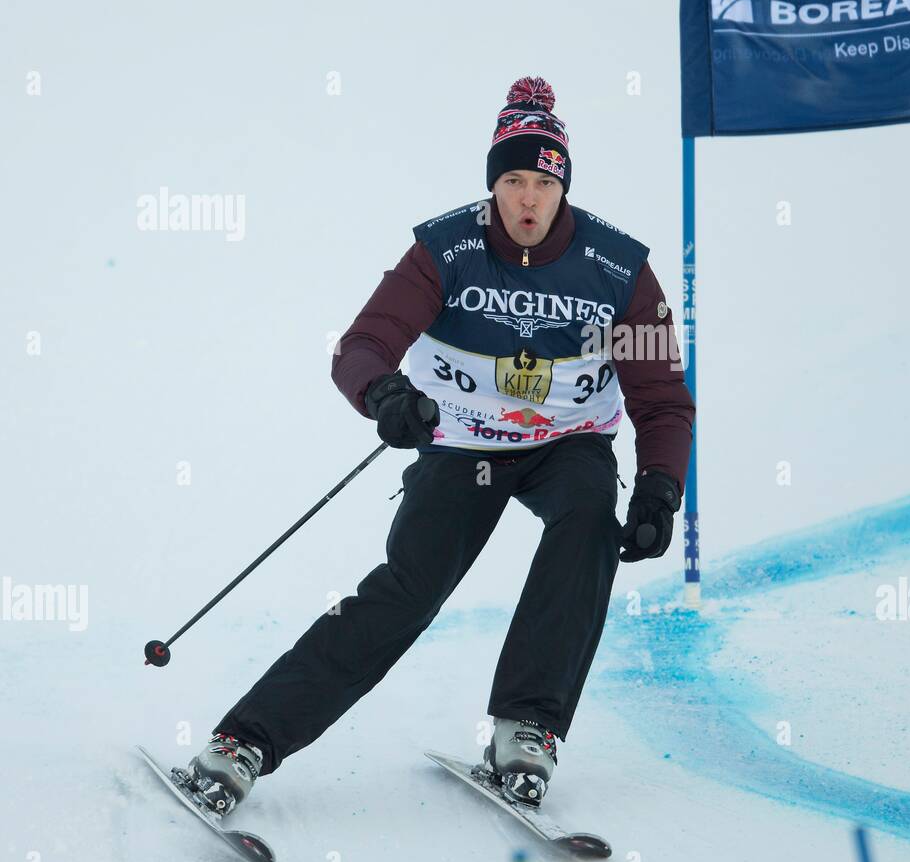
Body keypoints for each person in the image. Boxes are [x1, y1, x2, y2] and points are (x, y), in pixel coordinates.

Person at [186, 77, 695, 811]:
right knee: (407, 591)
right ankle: (244, 742)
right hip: (462, 446)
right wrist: (385, 395)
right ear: (493, 186)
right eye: (512, 181)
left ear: (563, 189)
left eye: (542, 183)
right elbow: (361, 345)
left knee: (587, 524)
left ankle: (527, 729)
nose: (526, 200)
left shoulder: (616, 267)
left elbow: (660, 397)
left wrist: (659, 486)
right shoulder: (446, 249)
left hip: (568, 444)